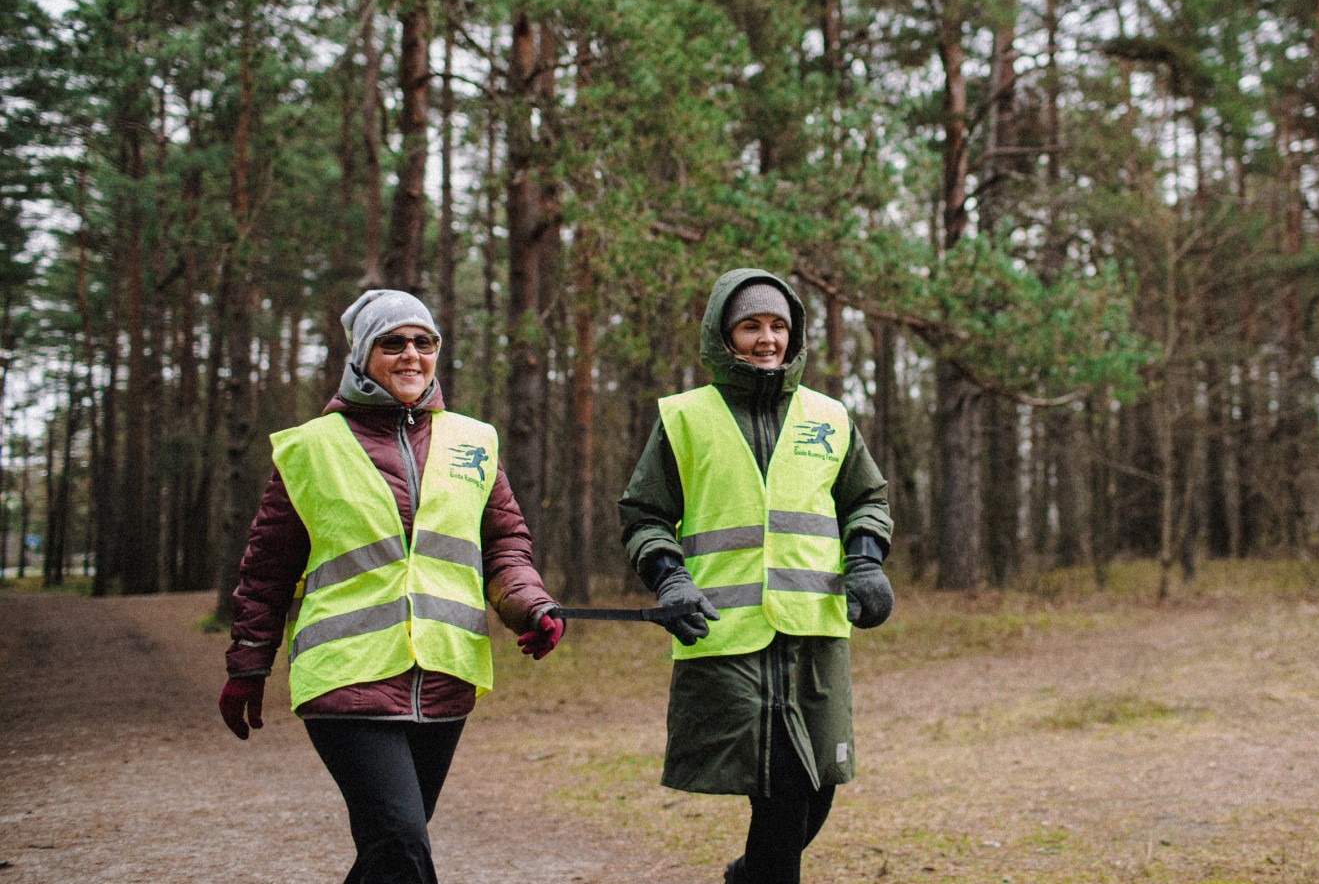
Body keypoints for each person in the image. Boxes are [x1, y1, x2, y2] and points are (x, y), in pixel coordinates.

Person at [218, 289, 565, 884]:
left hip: (445, 676)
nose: (411, 355)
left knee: (389, 855)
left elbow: (505, 544)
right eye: (392, 342)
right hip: (344, 675)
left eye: (423, 342)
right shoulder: (309, 449)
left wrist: (529, 606)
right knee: (402, 843)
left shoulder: (474, 441)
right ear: (361, 356)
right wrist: (249, 664)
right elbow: (266, 572)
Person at [619, 268, 896, 884]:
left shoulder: (829, 416)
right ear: (724, 335)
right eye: (751, 326)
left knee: (817, 784)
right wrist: (669, 578)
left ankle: (750, 874)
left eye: (778, 326)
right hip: (726, 635)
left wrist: (867, 562)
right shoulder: (685, 417)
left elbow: (867, 500)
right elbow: (645, 514)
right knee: (781, 791)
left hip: (815, 636)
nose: (766, 339)